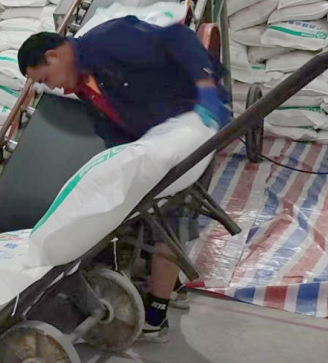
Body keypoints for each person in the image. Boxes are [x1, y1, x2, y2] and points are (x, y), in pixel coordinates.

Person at [17, 17, 230, 342]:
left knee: (169, 218)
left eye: (46, 78)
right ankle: (172, 286)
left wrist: (206, 89)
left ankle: (156, 316)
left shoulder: (110, 40)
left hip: (193, 123)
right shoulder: (86, 88)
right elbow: (113, 133)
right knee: (146, 213)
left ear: (53, 56)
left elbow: (178, 37)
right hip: (157, 139)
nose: (54, 88)